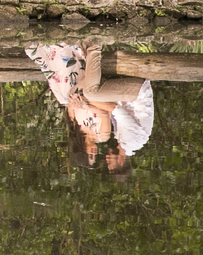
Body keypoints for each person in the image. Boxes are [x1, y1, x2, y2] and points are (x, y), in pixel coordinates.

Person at [25, 41, 154, 180]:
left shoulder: (120, 139)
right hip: (137, 92)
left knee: (70, 96)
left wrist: (79, 102)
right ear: (121, 161)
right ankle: (94, 46)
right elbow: (114, 109)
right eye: (110, 162)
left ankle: (61, 50)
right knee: (90, 93)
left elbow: (111, 108)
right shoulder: (133, 141)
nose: (106, 158)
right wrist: (85, 101)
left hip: (125, 94)